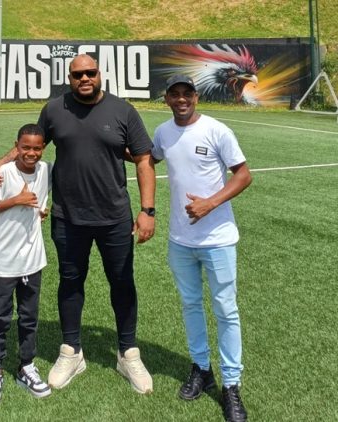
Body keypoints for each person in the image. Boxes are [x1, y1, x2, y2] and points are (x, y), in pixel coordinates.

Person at [0, 54, 156, 394]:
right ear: (70, 77)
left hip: (113, 217)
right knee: (71, 281)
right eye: (78, 74)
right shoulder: (54, 109)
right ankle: (71, 351)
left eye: (90, 73)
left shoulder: (123, 111)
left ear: (99, 74)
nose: (84, 79)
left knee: (122, 282)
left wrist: (147, 211)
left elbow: (143, 159)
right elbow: (31, 144)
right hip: (68, 216)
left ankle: (127, 352)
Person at [152, 74, 251, 422]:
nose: (181, 99)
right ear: (166, 99)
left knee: (226, 310)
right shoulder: (163, 133)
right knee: (191, 305)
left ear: (196, 97)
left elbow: (243, 174)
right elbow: (149, 158)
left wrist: (210, 202)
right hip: (180, 240)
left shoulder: (217, 130)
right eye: (175, 94)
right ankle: (202, 369)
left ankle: (231, 385)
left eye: (187, 94)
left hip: (219, 239)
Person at [0, 124, 52, 406]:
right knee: (0, 317)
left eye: (36, 148)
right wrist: (16, 200)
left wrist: (42, 209)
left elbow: (42, 201)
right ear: (16, 146)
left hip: (33, 260)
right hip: (4, 261)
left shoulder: (46, 170)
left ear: (43, 148)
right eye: (26, 147)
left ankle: (26, 365)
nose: (31, 153)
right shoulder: (4, 173)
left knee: (28, 317)